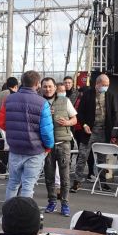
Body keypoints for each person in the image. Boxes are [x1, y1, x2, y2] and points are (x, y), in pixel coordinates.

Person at [0, 70, 54, 200]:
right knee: (28, 186)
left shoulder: (9, 99)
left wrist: (13, 131)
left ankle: (8, 215)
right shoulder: (42, 103)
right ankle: (24, 217)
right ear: (38, 84)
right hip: (35, 150)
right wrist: (48, 146)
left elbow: (1, 123)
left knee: (13, 183)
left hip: (15, 148)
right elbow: (46, 131)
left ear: (22, 82)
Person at [73, 73, 117, 192]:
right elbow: (80, 112)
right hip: (89, 131)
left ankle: (102, 182)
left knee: (102, 158)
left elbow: (113, 113)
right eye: (104, 85)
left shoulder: (110, 95)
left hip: (104, 131)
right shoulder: (87, 95)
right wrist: (84, 125)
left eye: (107, 85)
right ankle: (77, 181)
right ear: (97, 84)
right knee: (83, 156)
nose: (106, 87)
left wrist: (110, 127)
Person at [41, 76, 77, 216]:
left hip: (63, 143)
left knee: (64, 176)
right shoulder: (39, 102)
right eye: (45, 86)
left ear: (55, 88)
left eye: (50, 86)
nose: (48, 89)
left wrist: (67, 123)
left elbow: (75, 119)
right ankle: (51, 202)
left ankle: (65, 204)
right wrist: (43, 115)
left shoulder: (65, 100)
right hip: (46, 145)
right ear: (41, 88)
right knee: (49, 176)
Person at [0, 77, 19, 174]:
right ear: (16, 86)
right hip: (10, 125)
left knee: (2, 147)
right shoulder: (15, 96)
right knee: (10, 148)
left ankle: (2, 170)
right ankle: (7, 170)